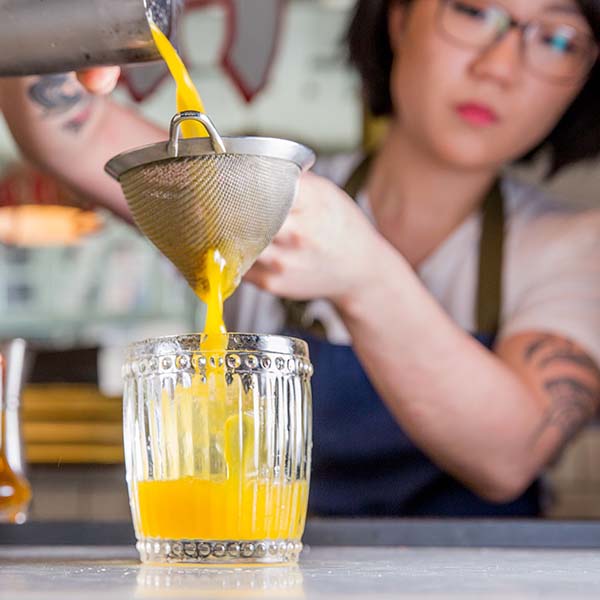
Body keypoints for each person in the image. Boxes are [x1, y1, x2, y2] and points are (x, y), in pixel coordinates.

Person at [1, 0, 600, 517]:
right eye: (472, 11)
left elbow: (510, 456)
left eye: (556, 38)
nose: (498, 67)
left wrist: (366, 273)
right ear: (400, 18)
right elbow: (70, 132)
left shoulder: (574, 244)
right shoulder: (268, 187)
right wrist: (45, 19)